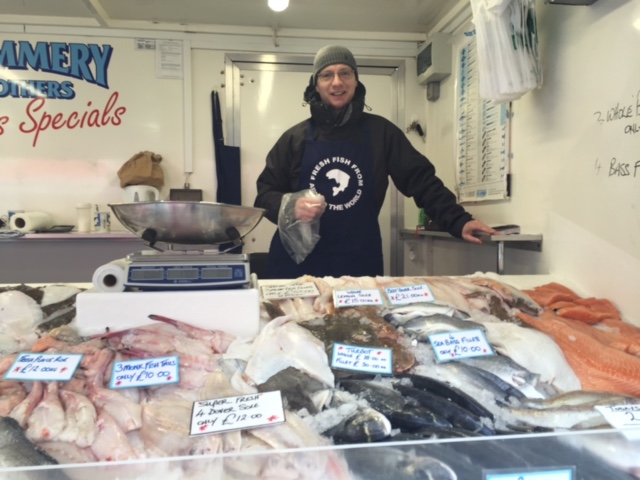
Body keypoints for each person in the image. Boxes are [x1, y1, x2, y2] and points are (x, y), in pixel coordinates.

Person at [254, 45, 497, 279]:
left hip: (357, 263)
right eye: (327, 75)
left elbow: (421, 181)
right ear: (316, 85)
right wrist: (290, 206)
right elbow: (264, 195)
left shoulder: (381, 133)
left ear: (356, 81)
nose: (337, 82)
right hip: (297, 267)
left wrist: (458, 221)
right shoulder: (293, 139)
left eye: (345, 73)